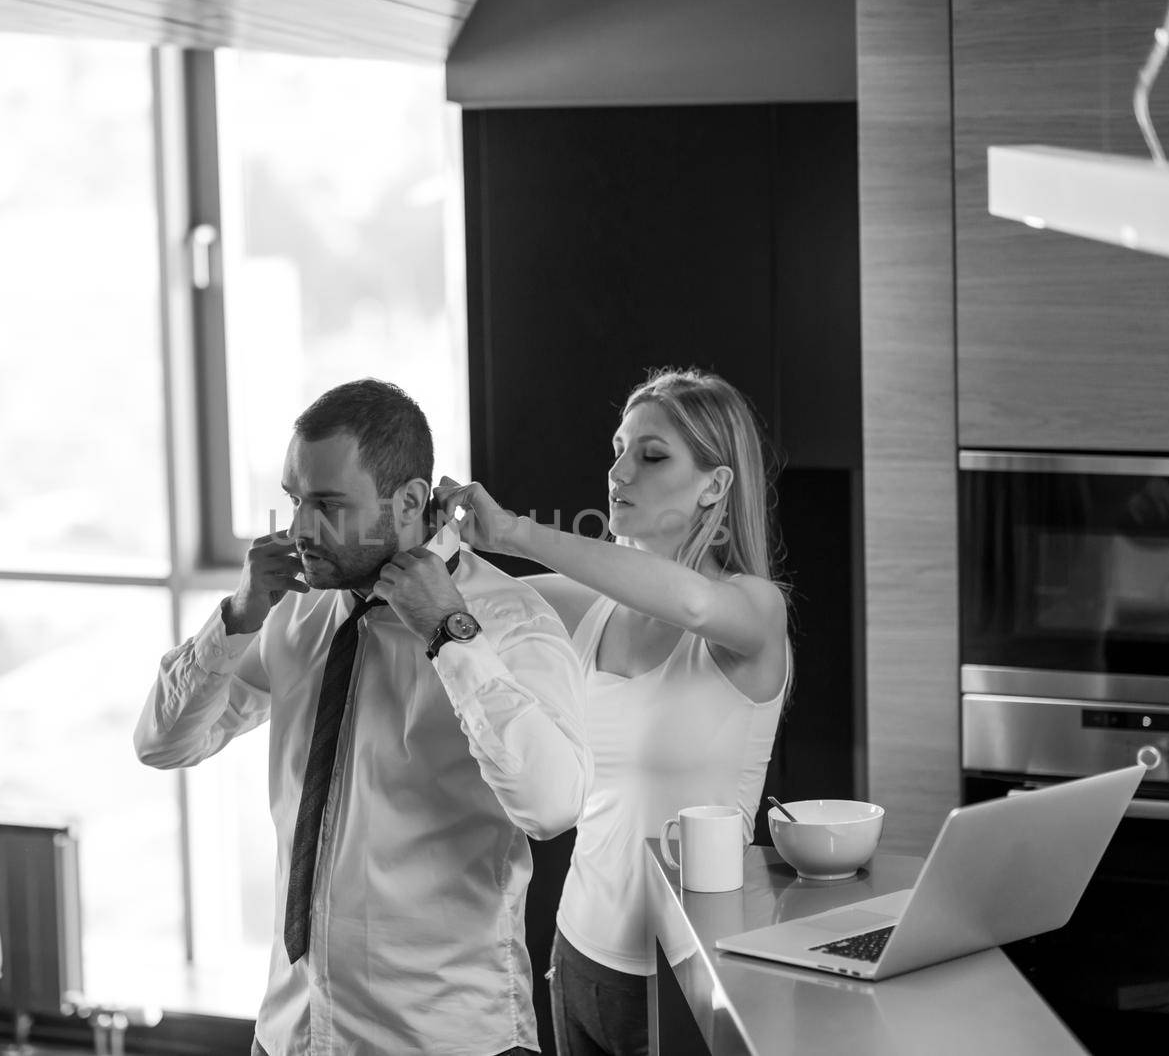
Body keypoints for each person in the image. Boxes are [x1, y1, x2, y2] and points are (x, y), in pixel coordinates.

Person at [135, 378, 589, 1056]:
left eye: (327, 505)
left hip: (443, 1039)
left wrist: (449, 635)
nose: (298, 531)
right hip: (292, 1032)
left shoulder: (508, 623)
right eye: (293, 500)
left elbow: (552, 806)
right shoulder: (296, 607)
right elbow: (163, 744)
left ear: (409, 501)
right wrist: (235, 618)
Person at [435, 367, 792, 1056]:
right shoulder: (588, 607)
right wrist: (424, 531)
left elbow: (689, 602)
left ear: (715, 486)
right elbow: (466, 598)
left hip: (686, 973)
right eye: (618, 449)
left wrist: (513, 530)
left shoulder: (755, 611)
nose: (619, 471)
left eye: (651, 455)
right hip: (576, 957)